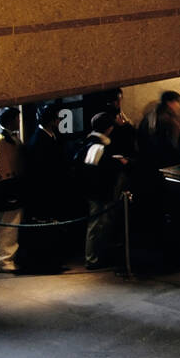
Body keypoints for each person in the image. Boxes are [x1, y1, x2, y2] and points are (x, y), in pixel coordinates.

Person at [79, 112, 129, 270]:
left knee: (98, 225)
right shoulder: (99, 147)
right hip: (100, 194)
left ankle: (96, 256)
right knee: (97, 225)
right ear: (108, 128)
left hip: (94, 192)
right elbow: (97, 171)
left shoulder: (90, 143)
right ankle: (93, 258)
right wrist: (118, 163)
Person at [0, 107, 24, 274]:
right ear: (10, 120)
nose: (19, 122)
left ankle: (5, 259)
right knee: (8, 227)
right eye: (17, 118)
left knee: (7, 226)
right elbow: (1, 169)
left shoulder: (2, 136)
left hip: (5, 186)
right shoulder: (2, 140)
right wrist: (10, 192)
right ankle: (4, 261)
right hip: (6, 188)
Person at [24, 102, 68, 220]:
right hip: (45, 194)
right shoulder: (37, 142)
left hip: (54, 192)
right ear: (51, 121)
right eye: (57, 118)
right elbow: (41, 173)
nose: (59, 121)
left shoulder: (52, 136)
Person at [139, 90, 180, 170]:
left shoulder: (150, 116)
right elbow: (174, 146)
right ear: (169, 103)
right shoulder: (170, 121)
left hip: (150, 163)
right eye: (177, 102)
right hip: (169, 164)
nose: (179, 106)